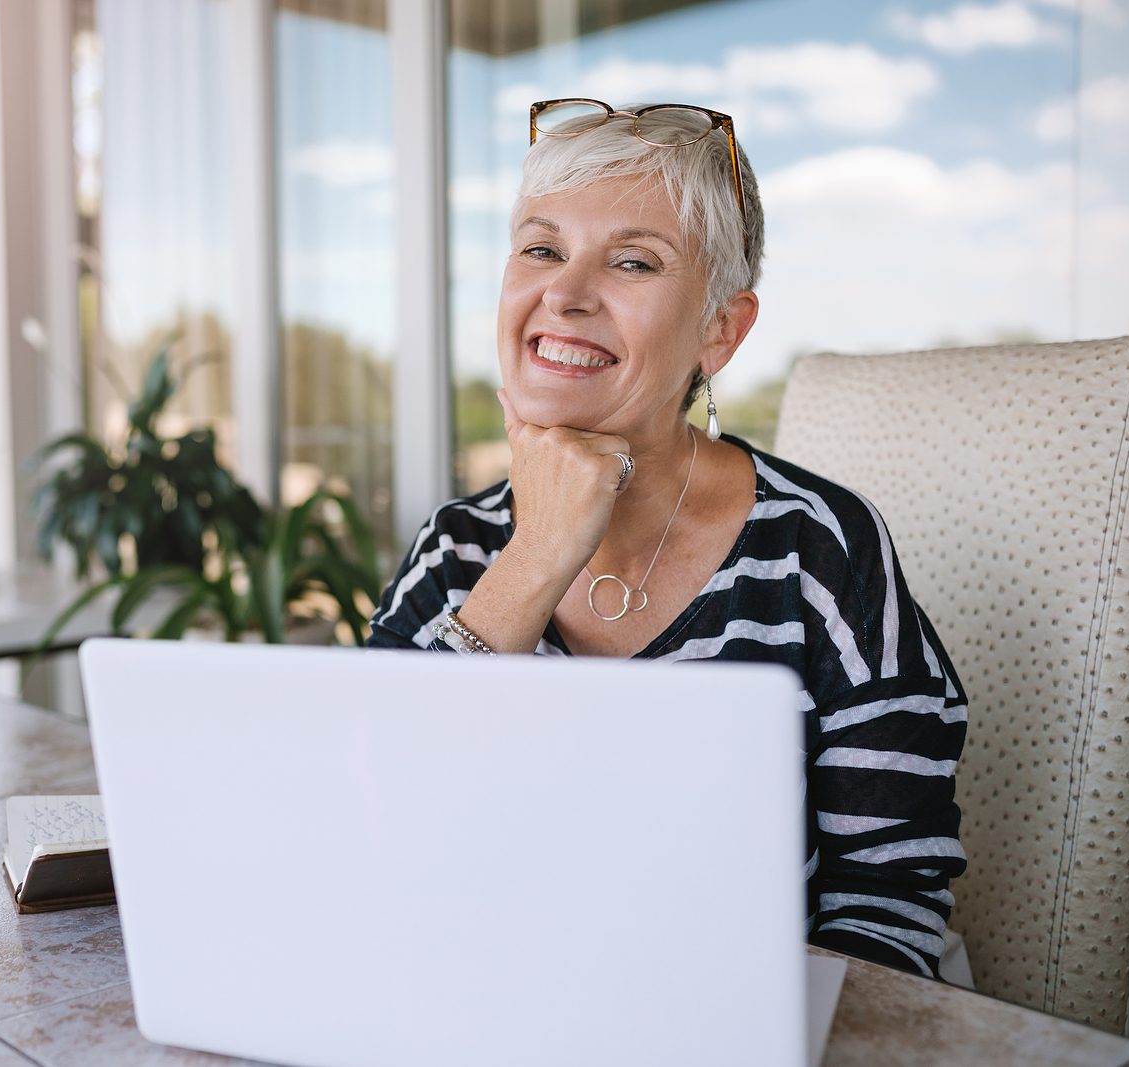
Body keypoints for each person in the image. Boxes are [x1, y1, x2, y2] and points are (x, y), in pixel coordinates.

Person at [367, 100, 967, 980]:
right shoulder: (456, 549)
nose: (564, 295)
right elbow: (370, 835)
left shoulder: (822, 551)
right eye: (541, 248)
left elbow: (887, 898)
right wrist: (534, 559)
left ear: (720, 329)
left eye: (632, 261)